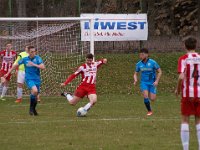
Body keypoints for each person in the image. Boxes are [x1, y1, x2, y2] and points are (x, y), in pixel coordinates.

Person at [175, 36, 200, 150]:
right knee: (198, 120)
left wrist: (178, 89)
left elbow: (181, 77)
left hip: (187, 94)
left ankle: (186, 149)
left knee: (185, 119)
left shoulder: (183, 59)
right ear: (196, 46)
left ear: (185, 46)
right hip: (199, 94)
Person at [5, 46, 45, 116]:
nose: (33, 53)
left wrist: (34, 64)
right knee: (35, 91)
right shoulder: (25, 59)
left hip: (37, 79)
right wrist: (8, 73)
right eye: (31, 52)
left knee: (35, 95)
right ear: (28, 52)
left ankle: (33, 109)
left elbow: (43, 67)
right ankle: (31, 109)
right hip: (29, 78)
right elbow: (15, 65)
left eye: (34, 51)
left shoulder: (38, 58)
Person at [133, 48, 162, 116]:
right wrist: (135, 79)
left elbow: (160, 72)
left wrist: (157, 81)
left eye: (142, 55)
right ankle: (149, 111)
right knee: (145, 96)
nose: (141, 56)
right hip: (144, 83)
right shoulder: (138, 64)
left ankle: (148, 97)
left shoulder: (153, 62)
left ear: (147, 55)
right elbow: (135, 73)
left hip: (152, 83)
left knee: (152, 98)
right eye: (140, 55)